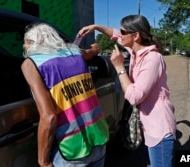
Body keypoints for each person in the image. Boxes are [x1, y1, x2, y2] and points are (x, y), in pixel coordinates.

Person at [78, 15, 176, 167]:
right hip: (149, 125)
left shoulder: (153, 59)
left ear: (135, 35)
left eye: (124, 32)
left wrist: (119, 67)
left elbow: (135, 97)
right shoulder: (135, 52)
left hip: (159, 128)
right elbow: (114, 34)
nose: (120, 35)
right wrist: (96, 27)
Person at [21, 23, 109, 167]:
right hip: (99, 136)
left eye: (25, 42)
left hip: (72, 150)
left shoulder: (30, 64)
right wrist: (96, 47)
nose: (24, 46)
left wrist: (43, 161)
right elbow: (92, 52)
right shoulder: (75, 52)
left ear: (32, 43)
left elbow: (49, 117)